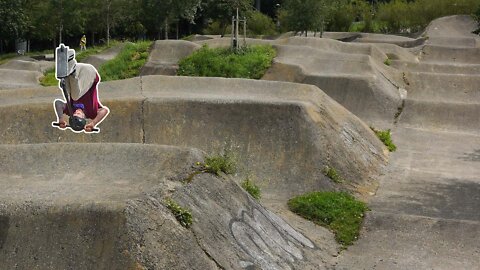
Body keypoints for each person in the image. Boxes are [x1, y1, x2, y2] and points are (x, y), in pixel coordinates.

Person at [53, 48, 109, 133]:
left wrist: (60, 118)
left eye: (75, 114)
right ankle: (71, 70)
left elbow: (58, 103)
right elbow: (104, 110)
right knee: (75, 97)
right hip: (89, 74)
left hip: (76, 70)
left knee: (65, 89)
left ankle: (68, 61)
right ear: (84, 117)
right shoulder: (91, 113)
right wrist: (93, 123)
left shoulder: (70, 110)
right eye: (79, 114)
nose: (76, 112)